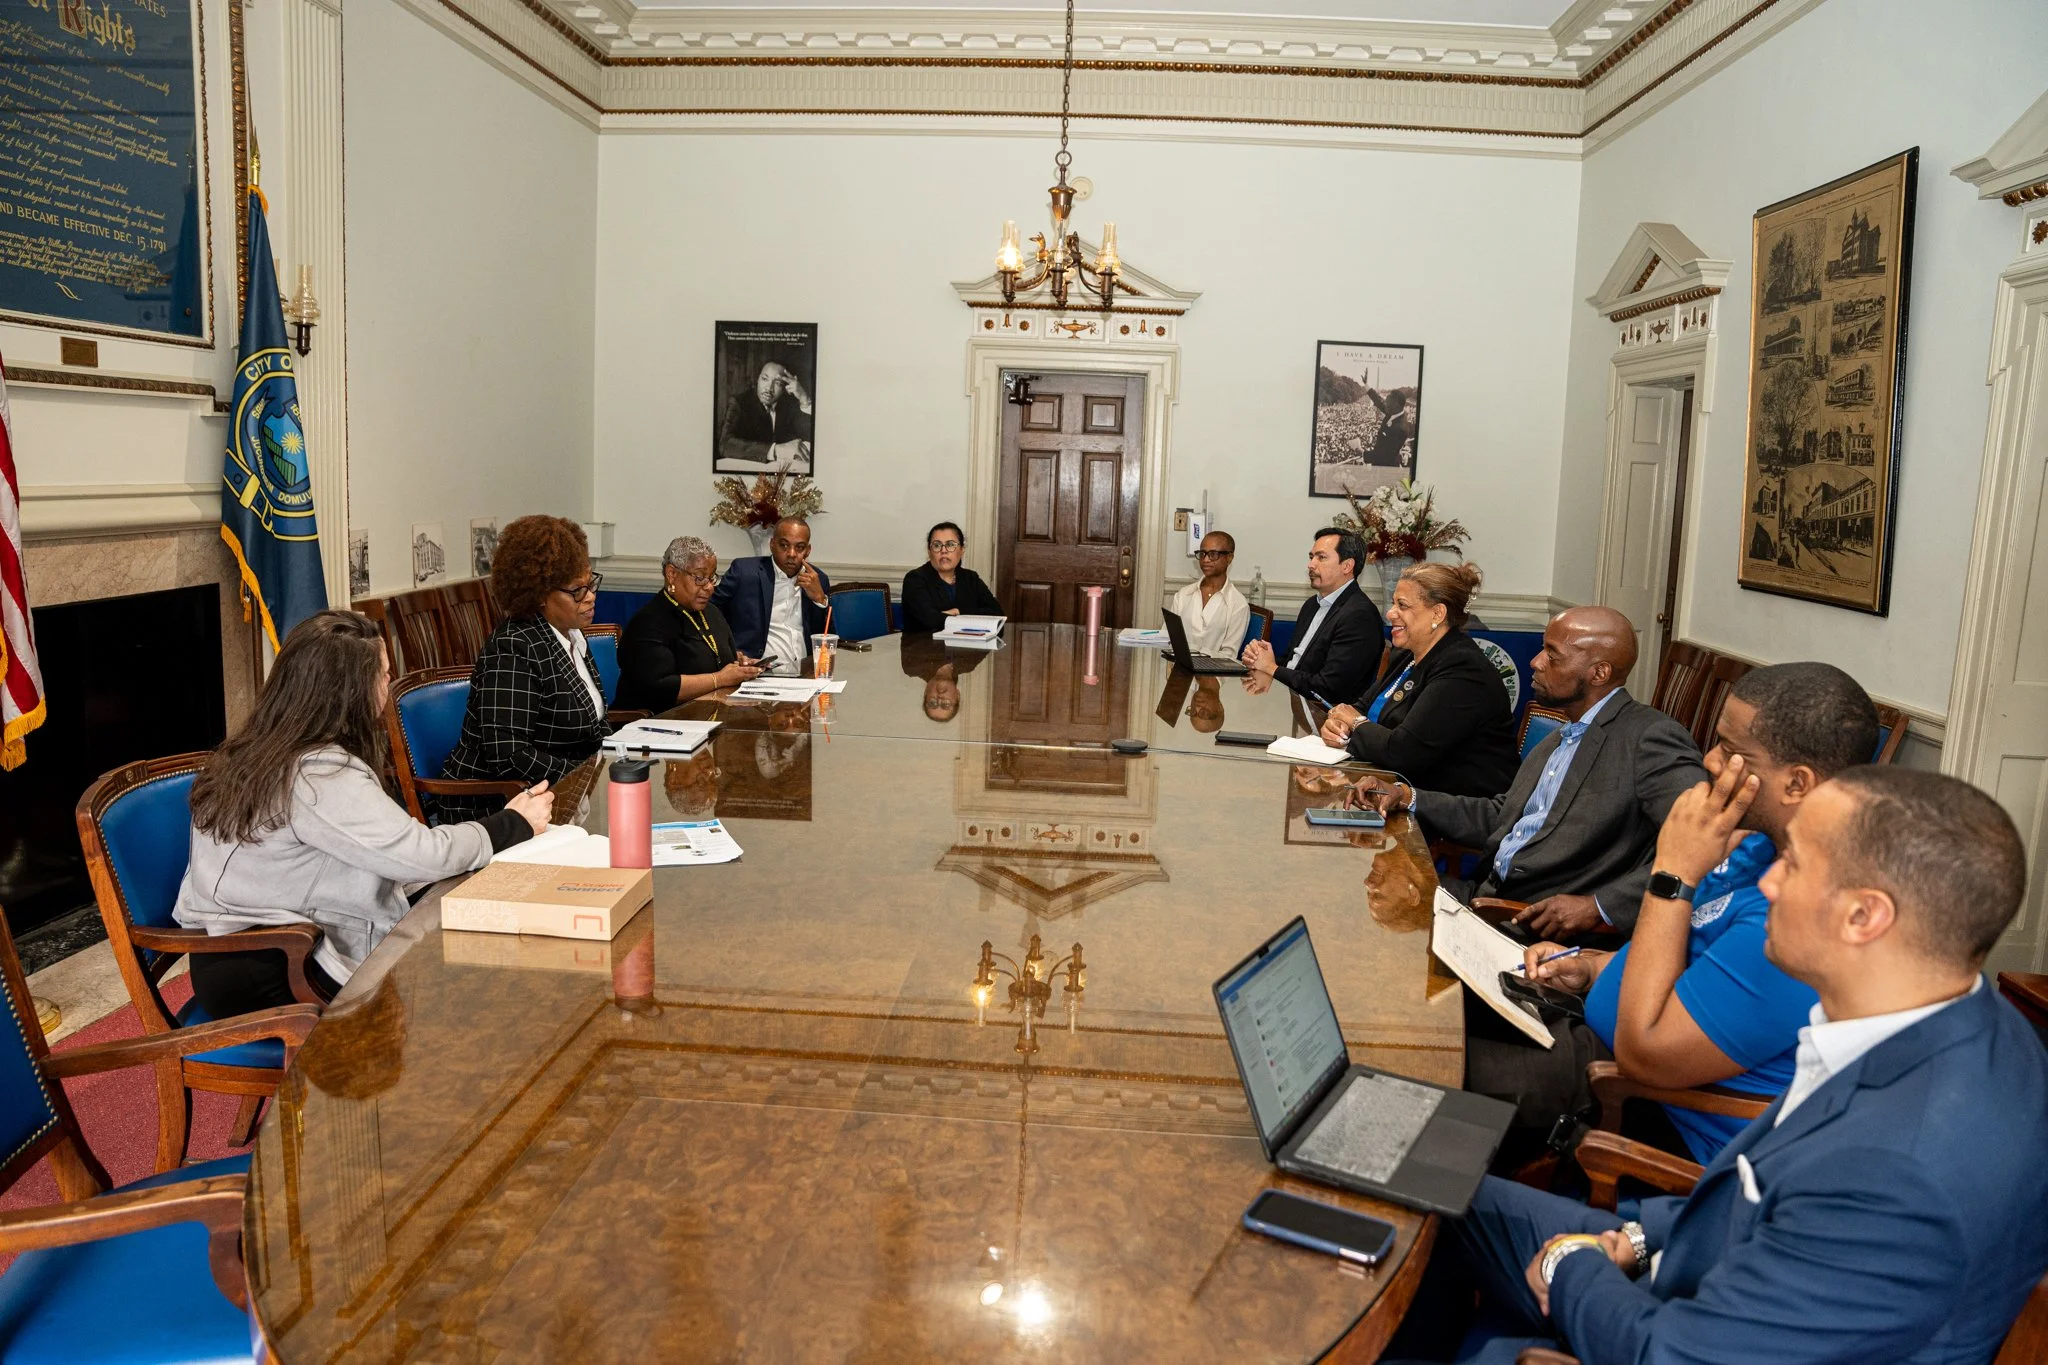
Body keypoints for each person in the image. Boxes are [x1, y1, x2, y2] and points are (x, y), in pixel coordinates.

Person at [1388, 766, 2048, 1365]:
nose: (1767, 880)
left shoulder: (1900, 1176)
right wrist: (1640, 1237)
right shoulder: (1960, 1023)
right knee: (1407, 1169)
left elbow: (1681, 1355)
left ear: (1864, 915)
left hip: (1683, 1329)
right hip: (1685, 1259)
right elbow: (1750, 1196)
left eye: (1793, 863)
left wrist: (1569, 1265)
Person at [1465, 662, 1879, 1169]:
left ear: (1796, 783)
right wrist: (1594, 966)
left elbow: (1646, 1056)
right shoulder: (1759, 849)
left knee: (1427, 1068)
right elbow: (1690, 952)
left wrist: (1673, 872)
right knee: (1428, 1011)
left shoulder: (1804, 917)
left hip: (1642, 1105)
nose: (1710, 760)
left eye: (1732, 753)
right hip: (1595, 1031)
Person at [175, 611, 551, 1015]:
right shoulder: (315, 773)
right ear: (350, 691)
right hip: (278, 965)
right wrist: (514, 823)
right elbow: (420, 855)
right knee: (469, 985)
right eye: (385, 674)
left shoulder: (261, 747)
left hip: (235, 954)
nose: (389, 682)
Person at [1353, 607, 1705, 936]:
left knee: (1377, 923)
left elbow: (1701, 846)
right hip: (1484, 895)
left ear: (1599, 673)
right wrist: (1408, 796)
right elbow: (1501, 817)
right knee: (1360, 896)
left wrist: (1600, 906)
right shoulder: (1560, 737)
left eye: (1552, 656)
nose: (1535, 662)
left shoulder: (1649, 737)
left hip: (1531, 921)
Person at [439, 516, 610, 821]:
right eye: (576, 591)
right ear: (541, 594)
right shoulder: (514, 647)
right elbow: (509, 754)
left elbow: (594, 723)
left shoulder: (571, 635)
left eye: (590, 584)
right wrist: (585, 778)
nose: (590, 596)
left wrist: (614, 761)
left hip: (560, 796)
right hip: (496, 807)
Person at [1320, 562, 1515, 799]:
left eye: (1402, 605)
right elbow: (1360, 708)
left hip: (1451, 808)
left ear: (1437, 613)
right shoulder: (1409, 655)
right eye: (1393, 603)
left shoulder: (1463, 669)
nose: (1390, 613)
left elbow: (1402, 752)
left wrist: (1356, 725)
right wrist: (1337, 726)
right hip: (1391, 787)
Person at [616, 536, 764, 711]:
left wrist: (739, 663)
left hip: (707, 714)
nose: (709, 587)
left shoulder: (711, 612)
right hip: (658, 724)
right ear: (672, 574)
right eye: (699, 577)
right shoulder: (648, 623)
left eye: (711, 577)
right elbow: (661, 687)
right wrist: (720, 678)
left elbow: (716, 657)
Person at [1239, 528, 1383, 703]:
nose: (1311, 565)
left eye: (1321, 557)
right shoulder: (1312, 605)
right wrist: (1260, 658)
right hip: (1291, 700)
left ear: (1347, 566)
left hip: (1323, 715)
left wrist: (1271, 668)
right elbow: (1293, 662)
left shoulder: (1359, 615)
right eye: (1311, 557)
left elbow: (1328, 688)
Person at [710, 517, 832, 673]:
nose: (791, 554)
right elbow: (709, 611)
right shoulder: (745, 572)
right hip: (755, 672)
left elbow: (829, 638)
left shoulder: (818, 579)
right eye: (784, 545)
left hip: (805, 672)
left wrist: (820, 600)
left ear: (808, 550)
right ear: (772, 545)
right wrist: (728, 650)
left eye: (799, 547)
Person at [901, 521, 1003, 632]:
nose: (943, 550)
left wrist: (958, 611)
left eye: (950, 545)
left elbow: (997, 613)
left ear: (962, 550)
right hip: (924, 646)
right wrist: (974, 616)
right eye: (937, 545)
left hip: (966, 646)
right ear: (929, 552)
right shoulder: (915, 579)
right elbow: (931, 620)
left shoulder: (971, 578)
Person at [719, 360, 813, 471]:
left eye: (777, 383)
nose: (769, 388)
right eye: (765, 379)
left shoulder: (789, 404)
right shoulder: (739, 403)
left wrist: (804, 399)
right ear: (758, 379)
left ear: (785, 387)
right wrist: (776, 450)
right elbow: (725, 444)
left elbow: (813, 436)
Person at [1170, 531, 1250, 657]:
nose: (1205, 559)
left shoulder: (1238, 604)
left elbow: (1228, 655)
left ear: (1229, 557)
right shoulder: (1183, 595)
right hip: (1179, 669)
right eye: (1202, 554)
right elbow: (1168, 639)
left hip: (1213, 674)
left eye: (1213, 554)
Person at [899, 630, 990, 722]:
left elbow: (918, 630)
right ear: (957, 696)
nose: (939, 698)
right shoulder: (968, 664)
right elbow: (990, 636)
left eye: (932, 703)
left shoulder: (913, 666)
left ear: (926, 693)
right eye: (946, 704)